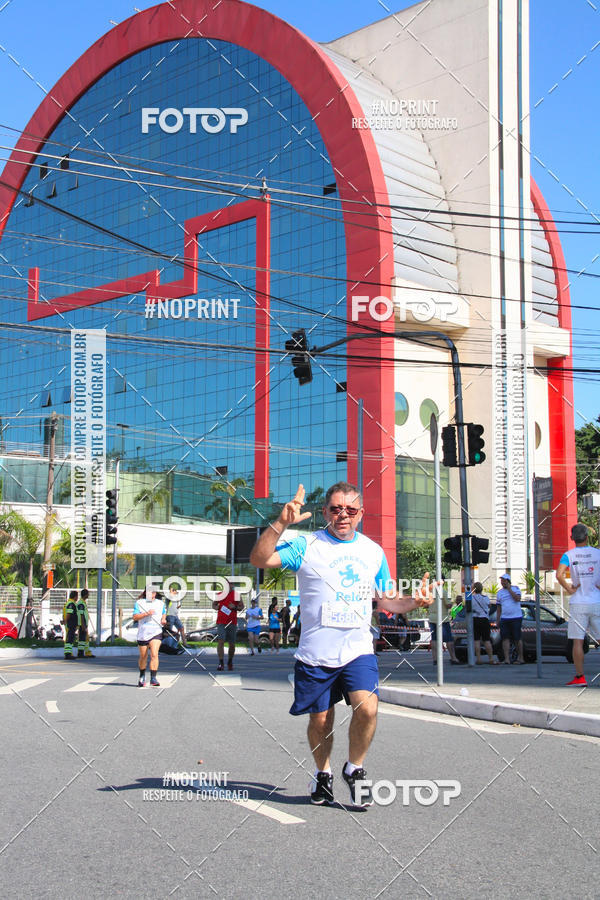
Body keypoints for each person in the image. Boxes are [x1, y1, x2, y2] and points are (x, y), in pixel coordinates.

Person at [250, 481, 434, 808]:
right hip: (315, 654)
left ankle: (355, 768)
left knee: (368, 708)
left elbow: (387, 600)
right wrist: (281, 523)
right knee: (321, 720)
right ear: (325, 512)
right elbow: (260, 559)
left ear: (361, 513)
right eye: (336, 509)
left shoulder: (373, 552)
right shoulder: (306, 545)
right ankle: (323, 774)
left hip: (357, 650)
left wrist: (414, 602)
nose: (343, 515)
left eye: (350, 509)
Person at [556, 523, 600, 686]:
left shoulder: (569, 555)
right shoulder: (597, 553)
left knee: (578, 641)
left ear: (572, 538)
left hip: (578, 603)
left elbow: (559, 575)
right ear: (587, 537)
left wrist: (569, 589)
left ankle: (580, 677)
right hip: (597, 601)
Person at [133, 589, 166, 687]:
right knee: (143, 656)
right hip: (143, 633)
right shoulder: (139, 603)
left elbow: (164, 613)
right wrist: (146, 614)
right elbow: (135, 617)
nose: (152, 594)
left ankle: (153, 678)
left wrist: (163, 619)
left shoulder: (160, 603)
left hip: (156, 632)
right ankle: (142, 675)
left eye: (153, 592)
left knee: (154, 655)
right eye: (149, 592)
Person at [213, 579, 244, 671]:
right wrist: (217, 607)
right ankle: (221, 662)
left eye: (231, 584)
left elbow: (242, 607)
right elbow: (213, 605)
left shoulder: (236, 595)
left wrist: (235, 607)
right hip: (221, 622)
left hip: (232, 622)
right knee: (221, 641)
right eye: (228, 584)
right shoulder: (220, 594)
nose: (229, 585)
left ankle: (230, 661)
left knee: (232, 644)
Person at [496, 573, 524, 664]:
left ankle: (520, 658)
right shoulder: (500, 593)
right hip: (505, 618)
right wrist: (498, 619)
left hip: (516, 617)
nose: (502, 582)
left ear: (508, 581)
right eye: (501, 581)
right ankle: (507, 659)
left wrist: (509, 589)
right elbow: (499, 607)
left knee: (517, 638)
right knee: (505, 638)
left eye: (504, 581)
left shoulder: (515, 589)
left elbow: (517, 599)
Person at [429, 593, 461, 665]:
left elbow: (425, 605)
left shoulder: (430, 592)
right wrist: (452, 602)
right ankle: (453, 658)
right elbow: (448, 605)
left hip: (432, 619)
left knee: (434, 639)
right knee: (449, 639)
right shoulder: (443, 592)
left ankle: (435, 659)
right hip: (442, 619)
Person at [470, 582, 497, 665]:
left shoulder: (471, 598)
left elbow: (469, 607)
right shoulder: (486, 598)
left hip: (475, 619)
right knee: (486, 640)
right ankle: (491, 658)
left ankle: (478, 659)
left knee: (476, 640)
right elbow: (489, 606)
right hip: (484, 619)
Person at [76, 588, 95, 658]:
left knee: (84, 639)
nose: (88, 595)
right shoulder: (81, 603)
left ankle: (85, 652)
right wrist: (83, 625)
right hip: (82, 624)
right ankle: (80, 653)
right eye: (88, 594)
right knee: (81, 639)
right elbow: (81, 615)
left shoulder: (83, 602)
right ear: (85, 595)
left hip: (84, 624)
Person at [62, 589, 78, 660]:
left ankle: (68, 653)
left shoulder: (69, 603)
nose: (77, 598)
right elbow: (69, 614)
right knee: (69, 639)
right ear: (75, 597)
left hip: (70, 624)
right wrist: (65, 621)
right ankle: (68, 654)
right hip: (70, 624)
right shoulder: (71, 604)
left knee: (70, 638)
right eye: (77, 596)